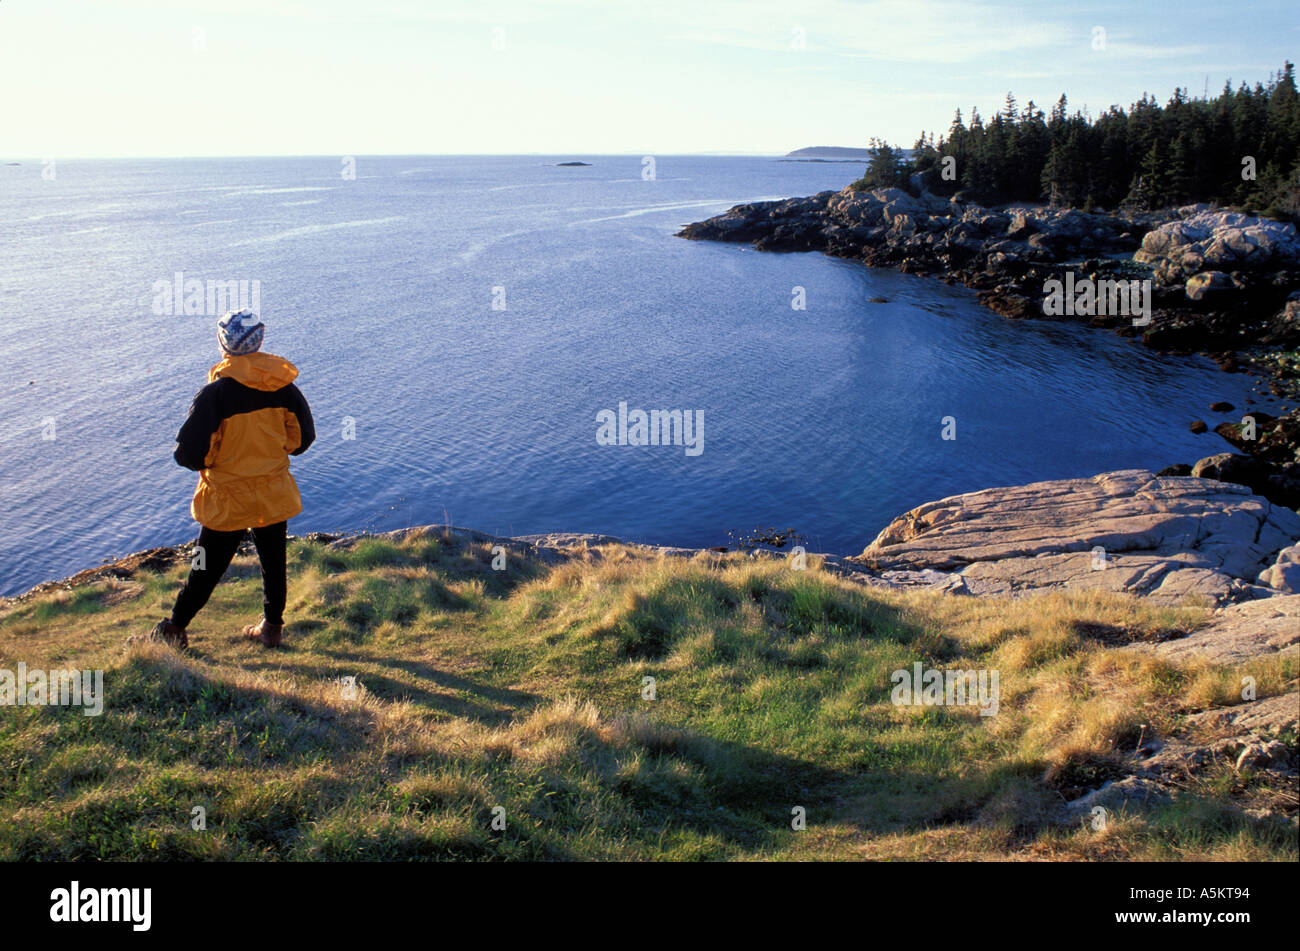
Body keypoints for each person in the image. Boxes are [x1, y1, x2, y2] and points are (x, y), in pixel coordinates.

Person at [148, 309, 315, 649]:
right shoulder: (283, 388)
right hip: (272, 491)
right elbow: (302, 440)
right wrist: (271, 451)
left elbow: (188, 454)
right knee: (273, 561)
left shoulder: (215, 395)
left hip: (227, 497)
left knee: (203, 564)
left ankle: (175, 629)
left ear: (224, 342)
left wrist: (213, 463)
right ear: (258, 340)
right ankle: (271, 628)